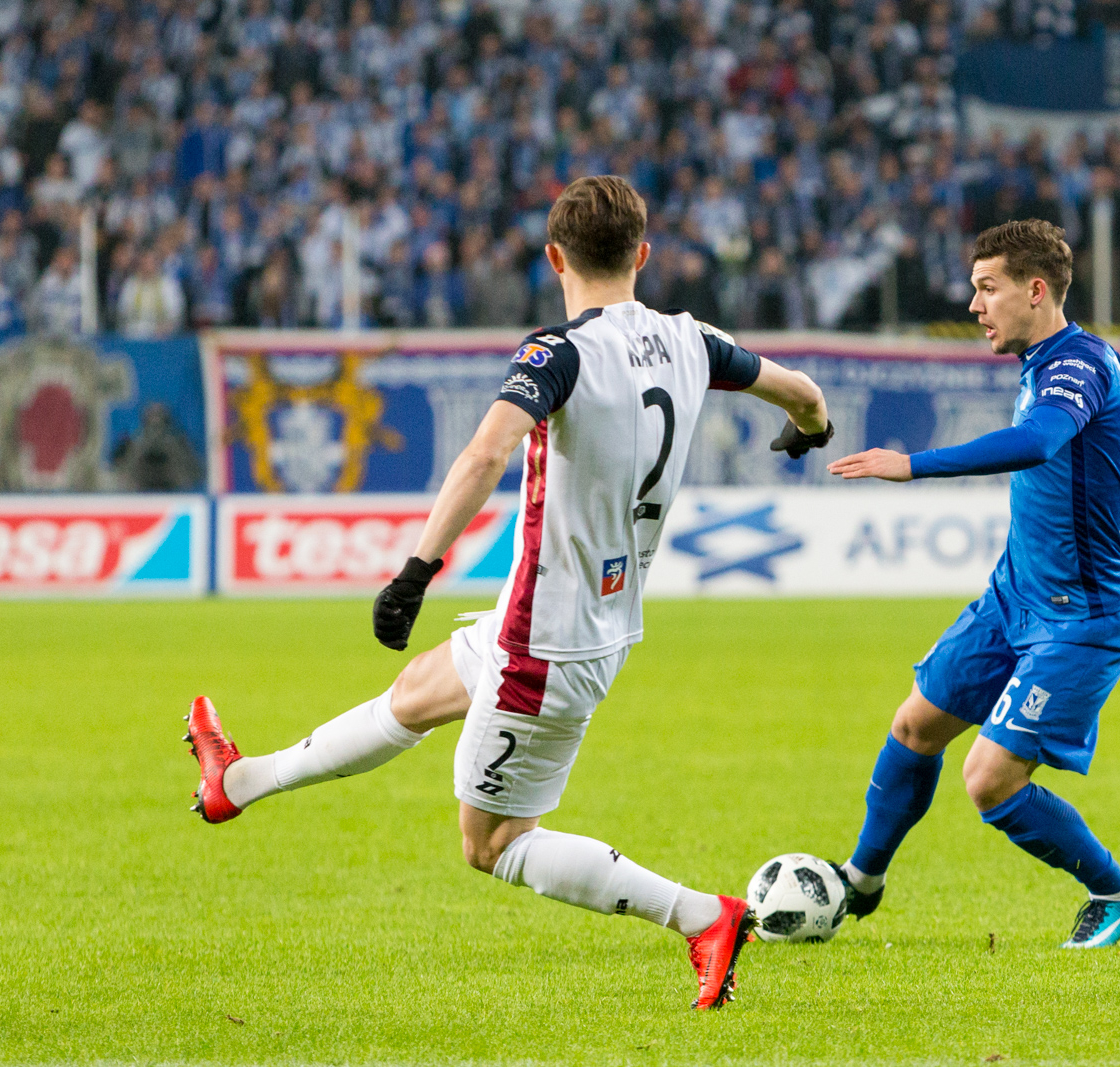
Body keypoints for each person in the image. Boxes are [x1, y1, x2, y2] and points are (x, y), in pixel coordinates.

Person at [182, 176, 836, 1009]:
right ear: (641, 255)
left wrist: (415, 572)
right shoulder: (692, 339)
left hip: (548, 638)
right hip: (580, 614)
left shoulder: (556, 353)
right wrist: (804, 433)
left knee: (491, 843)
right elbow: (807, 397)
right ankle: (235, 784)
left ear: (554, 257)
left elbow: (486, 454)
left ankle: (703, 916)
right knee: (416, 692)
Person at [826, 219, 1120, 949]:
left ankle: (1117, 891)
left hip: (1079, 620)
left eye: (986, 288)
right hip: (1014, 597)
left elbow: (1036, 441)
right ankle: (861, 879)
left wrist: (913, 463)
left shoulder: (1074, 368)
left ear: (1035, 291)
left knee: (988, 781)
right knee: (914, 726)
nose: (975, 306)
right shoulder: (1076, 359)